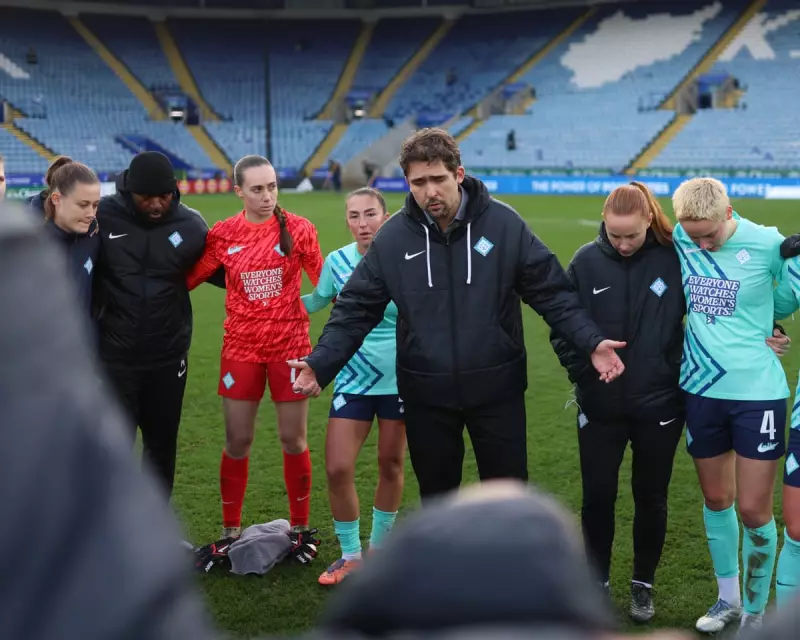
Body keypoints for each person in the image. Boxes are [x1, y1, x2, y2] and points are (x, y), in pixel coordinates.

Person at [289, 127, 626, 502]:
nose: (429, 191)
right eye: (419, 182)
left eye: (438, 179)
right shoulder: (394, 238)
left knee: (506, 502)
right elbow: (354, 309)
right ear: (407, 182)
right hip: (426, 394)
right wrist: (321, 363)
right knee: (438, 503)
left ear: (459, 174)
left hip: (497, 390)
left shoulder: (503, 224)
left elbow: (552, 292)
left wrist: (590, 341)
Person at [549, 183, 685, 623]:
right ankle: (596, 582)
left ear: (649, 220)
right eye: (615, 235)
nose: (623, 244)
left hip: (660, 404)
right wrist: (585, 373)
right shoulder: (586, 262)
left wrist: (669, 369)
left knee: (651, 496)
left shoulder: (673, 259)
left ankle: (642, 585)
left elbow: (711, 313)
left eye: (632, 235)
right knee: (597, 498)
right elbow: (561, 327)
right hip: (601, 405)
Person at [186, 154, 324, 561]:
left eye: (272, 187)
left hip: (290, 348)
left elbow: (327, 281)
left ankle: (300, 530)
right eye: (258, 189)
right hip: (241, 349)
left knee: (292, 438)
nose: (267, 196)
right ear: (239, 191)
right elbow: (189, 278)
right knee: (238, 440)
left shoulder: (300, 229)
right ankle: (230, 530)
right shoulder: (224, 233)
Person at [671, 177, 790, 634]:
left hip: (757, 393)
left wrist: (777, 321)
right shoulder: (683, 234)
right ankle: (728, 600)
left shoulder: (767, 243)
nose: (700, 243)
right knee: (717, 499)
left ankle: (757, 612)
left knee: (755, 510)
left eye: (709, 235)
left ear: (729, 212)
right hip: (700, 389)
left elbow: (789, 291)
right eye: (692, 234)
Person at [93, 150, 222, 500]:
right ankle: (109, 535)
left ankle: (154, 533)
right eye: (145, 197)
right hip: (113, 358)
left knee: (161, 450)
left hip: (167, 359)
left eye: (163, 197)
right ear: (127, 190)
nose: (155, 205)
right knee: (111, 451)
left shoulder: (192, 225)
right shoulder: (101, 215)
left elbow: (225, 273)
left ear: (174, 191)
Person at [301, 187, 406, 585]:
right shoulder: (337, 261)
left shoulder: (403, 260)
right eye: (355, 216)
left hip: (399, 378)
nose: (363, 224)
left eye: (370, 215)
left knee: (391, 464)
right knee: (338, 466)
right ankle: (351, 556)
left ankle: (379, 552)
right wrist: (263, 301)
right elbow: (316, 300)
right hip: (352, 377)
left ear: (386, 215)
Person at [28, 157, 101, 319]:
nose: (91, 214)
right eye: (83, 205)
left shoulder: (94, 235)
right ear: (56, 199)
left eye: (95, 205)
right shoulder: (25, 243)